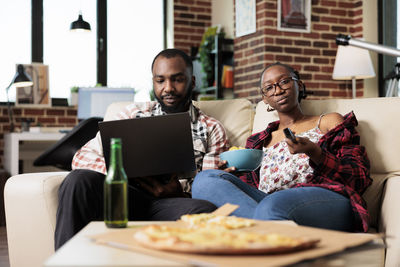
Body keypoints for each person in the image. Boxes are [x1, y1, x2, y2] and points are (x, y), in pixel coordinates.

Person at [54, 48, 229, 249]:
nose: (168, 88)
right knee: (78, 179)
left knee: (205, 209)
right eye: (160, 80)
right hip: (125, 197)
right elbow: (81, 157)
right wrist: (122, 174)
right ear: (153, 82)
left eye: (177, 79)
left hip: (170, 203)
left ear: (193, 81)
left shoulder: (211, 128)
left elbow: (213, 182)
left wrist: (180, 190)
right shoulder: (131, 114)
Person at [192, 62, 372, 233]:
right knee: (205, 180)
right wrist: (233, 176)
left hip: (325, 198)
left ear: (299, 85)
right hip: (267, 202)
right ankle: (271, 231)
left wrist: (315, 152)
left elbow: (358, 177)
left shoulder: (328, 121)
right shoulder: (257, 141)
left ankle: (259, 232)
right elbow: (249, 189)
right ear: (264, 99)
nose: (278, 90)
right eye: (269, 87)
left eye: (284, 81)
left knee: (273, 204)